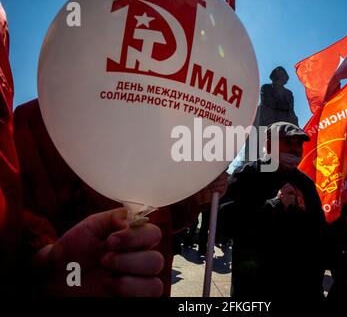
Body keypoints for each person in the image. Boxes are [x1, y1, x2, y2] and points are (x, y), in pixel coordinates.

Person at [13, 99, 228, 296]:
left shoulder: (164, 126)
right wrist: (55, 270)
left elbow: (168, 217)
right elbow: (20, 224)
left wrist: (196, 198)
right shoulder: (50, 114)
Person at [219, 121, 328, 298]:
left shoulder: (305, 183)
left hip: (300, 287)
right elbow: (225, 222)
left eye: (299, 143)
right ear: (269, 144)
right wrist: (274, 205)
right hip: (256, 287)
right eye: (288, 142)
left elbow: (320, 231)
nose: (295, 149)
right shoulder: (248, 174)